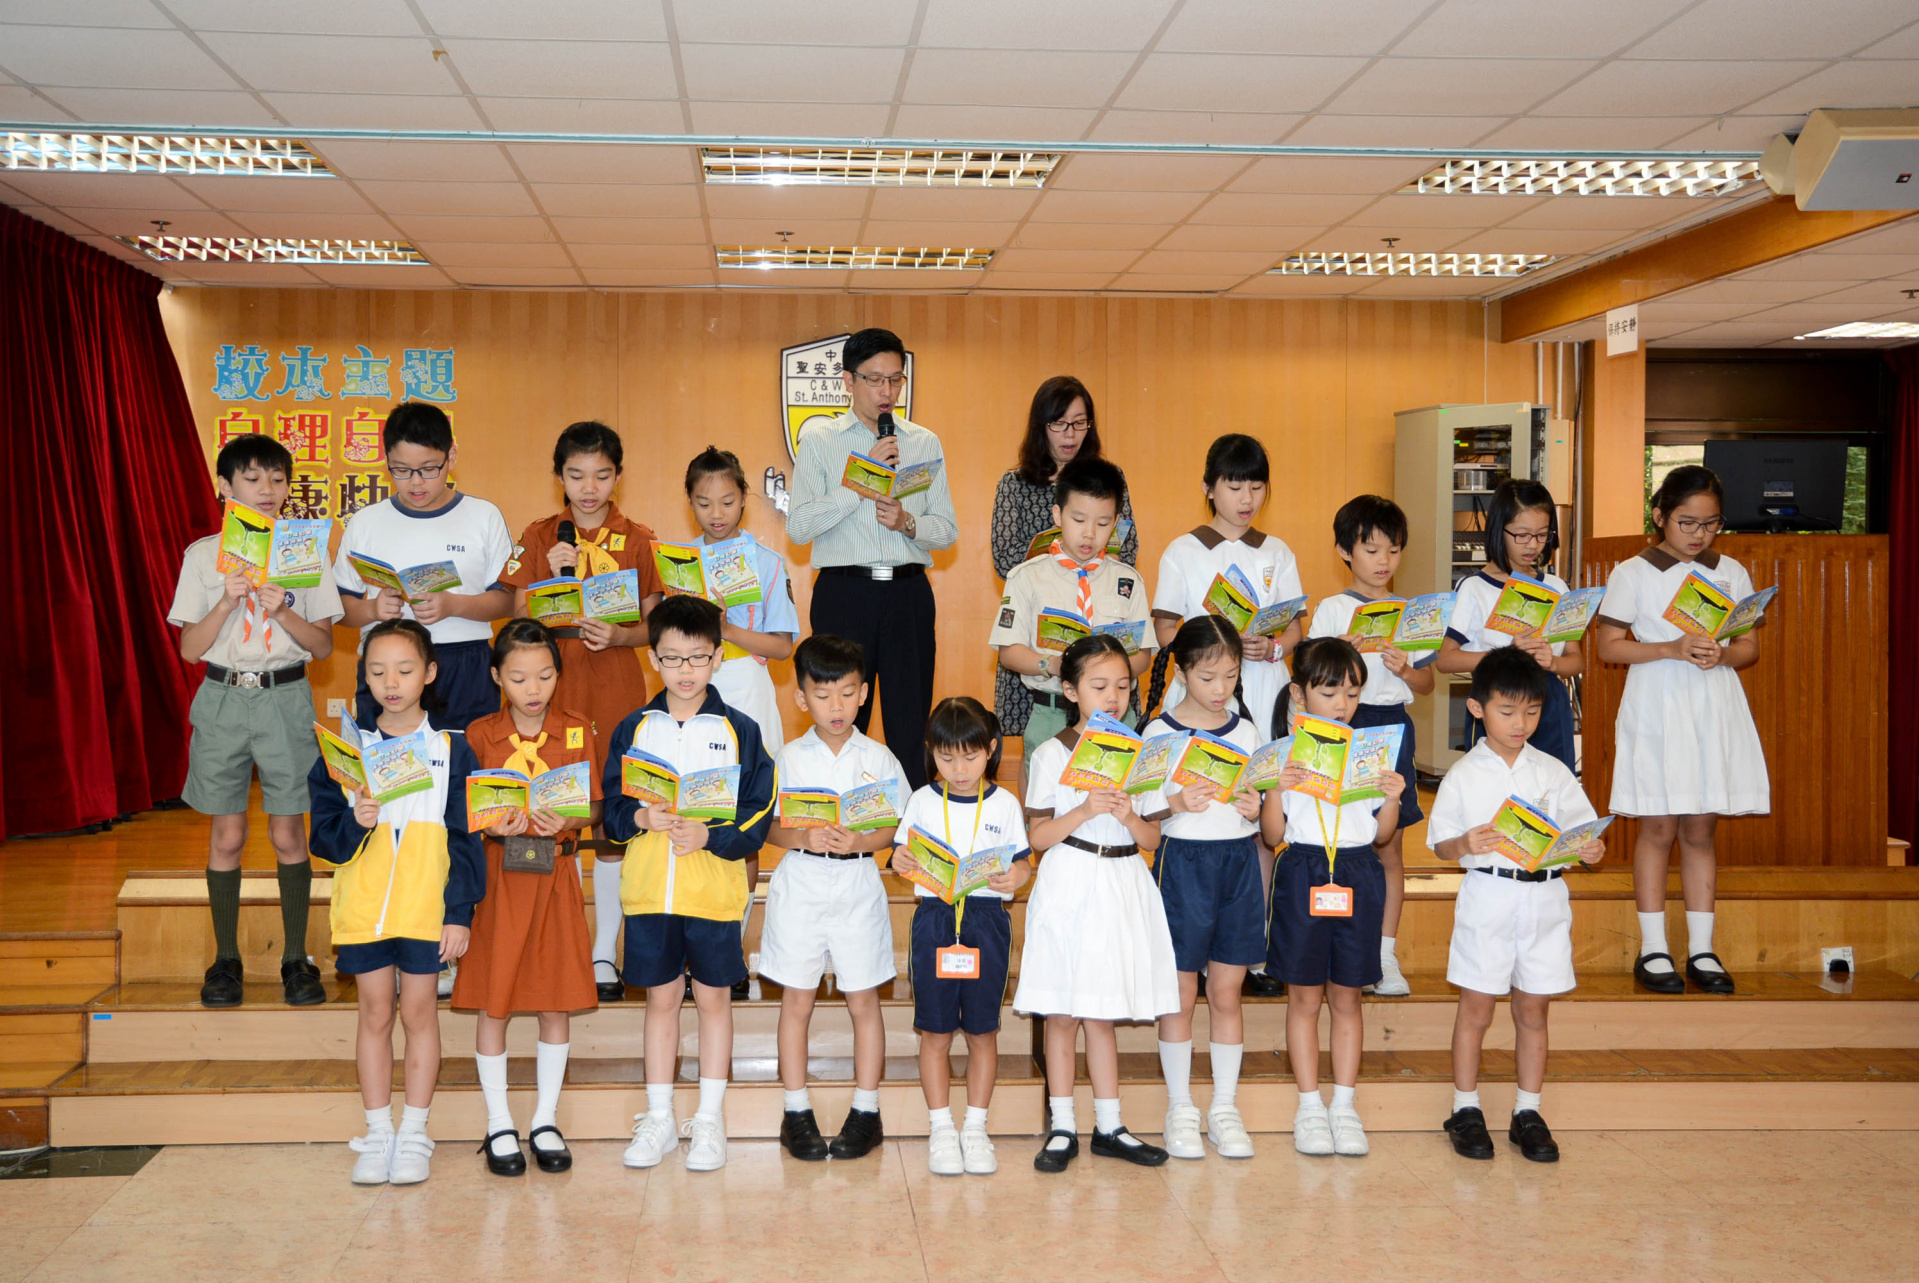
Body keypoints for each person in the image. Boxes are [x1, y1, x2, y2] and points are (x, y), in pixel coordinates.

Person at [602, 595, 775, 1174]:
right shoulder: (634, 727)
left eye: (698, 657)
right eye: (673, 658)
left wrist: (711, 836)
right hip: (650, 892)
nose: (685, 670)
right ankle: (658, 1118)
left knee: (713, 1000)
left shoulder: (741, 730)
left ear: (718, 657)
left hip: (713, 894)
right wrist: (640, 818)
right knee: (661, 1000)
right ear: (653, 658)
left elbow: (759, 811)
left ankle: (709, 1119)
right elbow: (611, 809)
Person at [307, 620, 482, 1186]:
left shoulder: (452, 749)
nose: (391, 683)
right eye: (378, 671)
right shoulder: (346, 753)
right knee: (375, 1013)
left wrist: (458, 913)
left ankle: (414, 1132)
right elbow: (323, 840)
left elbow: (465, 839)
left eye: (405, 670)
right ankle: (378, 1130)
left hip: (425, 910)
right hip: (365, 909)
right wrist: (355, 822)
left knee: (419, 1013)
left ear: (429, 673)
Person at [170, 434, 342, 1009]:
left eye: (277, 479)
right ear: (225, 487)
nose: (267, 489)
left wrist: (283, 608)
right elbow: (189, 650)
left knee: (289, 833)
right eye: (252, 478)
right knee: (228, 834)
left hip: (283, 698)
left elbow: (323, 647)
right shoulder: (203, 556)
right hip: (223, 698)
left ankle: (296, 958)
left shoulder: (305, 553)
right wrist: (225, 601)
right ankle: (226, 960)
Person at [502, 421, 666, 1005]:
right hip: (551, 685)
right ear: (560, 478)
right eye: (576, 475)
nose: (589, 488)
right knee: (554, 808)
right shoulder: (539, 534)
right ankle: (556, 941)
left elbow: (656, 624)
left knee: (613, 816)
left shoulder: (639, 538)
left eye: (601, 475)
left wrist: (621, 635)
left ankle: (601, 950)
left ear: (618, 476)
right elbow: (515, 612)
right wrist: (551, 576)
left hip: (614, 680)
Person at [1594, 465, 1768, 997]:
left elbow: (1749, 647)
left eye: (1711, 524)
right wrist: (1671, 647)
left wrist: (1723, 655)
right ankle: (1653, 948)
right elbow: (1608, 646)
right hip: (1657, 702)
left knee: (1699, 828)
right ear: (1660, 516)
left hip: (1712, 703)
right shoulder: (1633, 571)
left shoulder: (1731, 571)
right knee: (1658, 827)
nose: (1699, 534)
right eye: (1687, 522)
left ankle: (1702, 949)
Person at [1428, 647, 1606, 1164]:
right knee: (1477, 1007)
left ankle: (1528, 1111)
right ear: (1478, 708)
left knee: (1533, 1009)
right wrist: (1465, 843)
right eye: (1507, 711)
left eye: (1531, 711)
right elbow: (1441, 846)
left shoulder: (1552, 770)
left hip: (1544, 899)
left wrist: (1591, 849)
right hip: (1489, 897)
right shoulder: (1464, 773)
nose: (1520, 723)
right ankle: (1465, 1108)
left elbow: (1583, 831)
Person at [1013, 635, 1177, 1173]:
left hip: (1123, 879)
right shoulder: (1051, 752)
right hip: (1070, 879)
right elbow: (1038, 838)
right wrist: (1084, 810)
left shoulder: (1141, 752)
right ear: (1070, 690)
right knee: (1063, 1013)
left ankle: (1110, 1125)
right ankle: (1063, 1125)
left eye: (1123, 687)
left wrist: (1129, 816)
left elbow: (1152, 839)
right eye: (1099, 685)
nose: (1113, 697)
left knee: (1102, 1012)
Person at [1150, 433, 1302, 997]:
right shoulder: (1183, 550)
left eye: (1256, 486)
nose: (1246, 498)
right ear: (1209, 488)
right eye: (1235, 486)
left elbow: (1294, 625)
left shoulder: (1277, 551)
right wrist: (1217, 644)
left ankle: (1249, 952)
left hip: (1262, 688)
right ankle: (1194, 952)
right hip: (1203, 694)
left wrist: (1274, 646)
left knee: (1258, 820)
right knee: (1204, 808)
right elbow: (1166, 629)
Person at [452, 620, 599, 1177]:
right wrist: (490, 824)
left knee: (554, 1000)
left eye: (544, 676)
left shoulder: (577, 730)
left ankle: (544, 1119)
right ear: (497, 677)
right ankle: (498, 1123)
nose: (533, 689)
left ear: (559, 674)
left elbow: (595, 805)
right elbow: (462, 814)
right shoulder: (478, 735)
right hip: (499, 881)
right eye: (518, 678)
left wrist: (572, 819)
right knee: (494, 1002)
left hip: (555, 876)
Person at [784, 327, 959, 790]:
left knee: (910, 722)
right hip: (845, 593)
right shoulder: (820, 440)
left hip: (908, 595)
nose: (887, 392)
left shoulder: (923, 442)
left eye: (895, 380)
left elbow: (947, 531)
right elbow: (799, 527)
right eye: (875, 379)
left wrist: (907, 522)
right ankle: (835, 816)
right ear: (848, 380)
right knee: (838, 717)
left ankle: (910, 822)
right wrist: (862, 481)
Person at [761, 636, 908, 1163]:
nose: (837, 706)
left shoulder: (880, 757)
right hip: (801, 883)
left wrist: (861, 840)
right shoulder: (787, 757)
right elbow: (767, 827)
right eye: (823, 696)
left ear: (864, 693)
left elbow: (896, 826)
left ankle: (866, 1111)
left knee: (863, 1000)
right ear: (802, 699)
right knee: (796, 1000)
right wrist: (802, 836)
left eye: (847, 693)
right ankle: (795, 1111)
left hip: (857, 884)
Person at [1261, 638, 1405, 1158]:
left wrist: (1393, 797)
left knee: (1347, 997)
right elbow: (1272, 836)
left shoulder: (1370, 753)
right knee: (1303, 998)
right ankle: (1309, 1107)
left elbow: (1382, 836)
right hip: (1302, 869)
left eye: (1352, 693)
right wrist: (1275, 789)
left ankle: (1344, 1106)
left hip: (1358, 872)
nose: (1342, 704)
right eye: (1329, 693)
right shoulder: (1284, 754)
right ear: (1299, 694)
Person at [1139, 616, 1264, 1162]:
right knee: (1181, 992)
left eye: (1231, 677)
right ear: (1183, 672)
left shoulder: (1247, 731)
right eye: (1208, 677)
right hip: (1182, 863)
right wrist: (1176, 803)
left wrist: (1255, 807)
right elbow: (1142, 810)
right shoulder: (1158, 733)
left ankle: (1225, 1107)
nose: (1221, 689)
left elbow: (1260, 805)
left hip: (1237, 863)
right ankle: (1180, 1107)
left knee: (1227, 992)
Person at [890, 697, 1032, 1176]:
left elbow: (1022, 864)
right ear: (931, 751)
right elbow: (901, 855)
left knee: (982, 1031)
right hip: (935, 918)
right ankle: (941, 1129)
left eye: (970, 757)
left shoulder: (1005, 804)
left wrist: (1016, 876)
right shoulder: (922, 800)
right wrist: (900, 860)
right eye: (946, 758)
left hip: (986, 921)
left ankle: (975, 1128)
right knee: (934, 1031)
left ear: (990, 749)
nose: (959, 769)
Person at [1305, 495, 1434, 998]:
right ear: (1345, 551)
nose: (1384, 561)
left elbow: (1426, 685)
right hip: (1342, 727)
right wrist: (1341, 652)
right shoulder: (1331, 610)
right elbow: (1311, 675)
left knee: (1389, 844)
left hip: (1392, 725)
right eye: (1372, 549)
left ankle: (1384, 953)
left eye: (1394, 551)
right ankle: (1339, 946)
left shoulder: (1410, 612)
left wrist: (1407, 669)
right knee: (1337, 839)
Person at [683, 443, 799, 990]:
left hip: (746, 690)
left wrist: (726, 629)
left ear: (745, 500)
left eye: (727, 501)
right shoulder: (677, 563)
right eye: (704, 503)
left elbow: (782, 646)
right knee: (692, 816)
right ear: (690, 503)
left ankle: (729, 951)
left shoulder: (767, 563)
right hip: (687, 694)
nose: (716, 513)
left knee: (739, 824)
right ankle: (693, 952)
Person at [334, 402, 515, 733]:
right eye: (401, 470)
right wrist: (373, 609)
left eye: (429, 469)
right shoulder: (365, 522)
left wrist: (452, 605)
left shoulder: (483, 516)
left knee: (466, 758)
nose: (416, 483)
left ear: (451, 456)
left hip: (464, 664)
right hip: (387, 667)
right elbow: (338, 608)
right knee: (388, 762)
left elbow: (508, 601)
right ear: (387, 461)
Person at [989, 376, 1139, 738]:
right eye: (1059, 424)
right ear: (1041, 426)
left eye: (1079, 423)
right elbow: (1004, 558)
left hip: (1100, 600)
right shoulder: (1016, 482)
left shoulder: (1108, 478)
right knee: (1039, 744)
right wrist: (1056, 554)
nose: (1070, 434)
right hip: (1041, 628)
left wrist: (1091, 549)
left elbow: (1128, 545)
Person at [989, 456, 1155, 771]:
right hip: (1052, 711)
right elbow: (1009, 651)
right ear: (1058, 515)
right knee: (1046, 796)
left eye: (1102, 524)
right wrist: (1053, 664)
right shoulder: (1026, 577)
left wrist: (1105, 673)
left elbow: (1143, 655)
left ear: (1116, 523)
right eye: (1079, 520)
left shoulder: (1127, 581)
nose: (1089, 534)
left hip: (1115, 716)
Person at [1436, 479, 1582, 773]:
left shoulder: (1556, 587)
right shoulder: (1474, 588)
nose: (1533, 545)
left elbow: (1576, 660)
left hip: (1549, 704)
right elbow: (1445, 659)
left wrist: (1552, 662)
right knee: (1494, 786)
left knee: (1550, 786)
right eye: (1522, 535)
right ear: (1498, 529)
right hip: (1496, 702)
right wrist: (1507, 655)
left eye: (1542, 534)